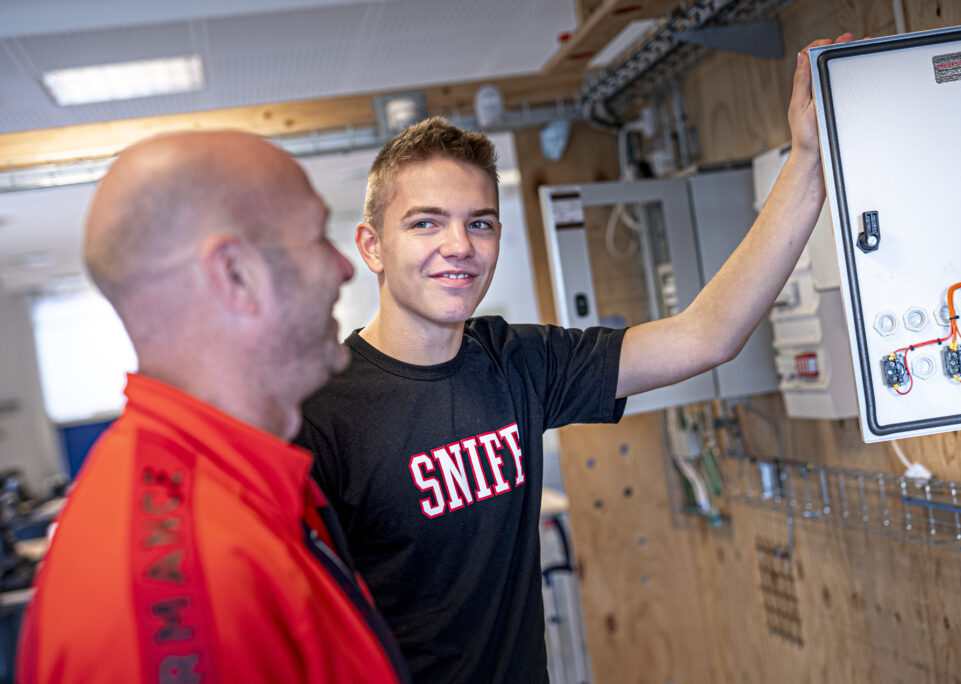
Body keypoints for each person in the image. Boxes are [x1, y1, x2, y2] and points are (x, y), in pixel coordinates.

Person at [296, 34, 853, 682]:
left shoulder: (517, 363)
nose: (458, 245)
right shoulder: (322, 413)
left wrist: (807, 162)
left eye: (479, 222)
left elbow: (706, 335)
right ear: (372, 246)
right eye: (425, 223)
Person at [17, 131, 410, 684]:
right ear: (236, 275)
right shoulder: (188, 577)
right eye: (318, 236)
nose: (346, 269)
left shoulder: (243, 485)